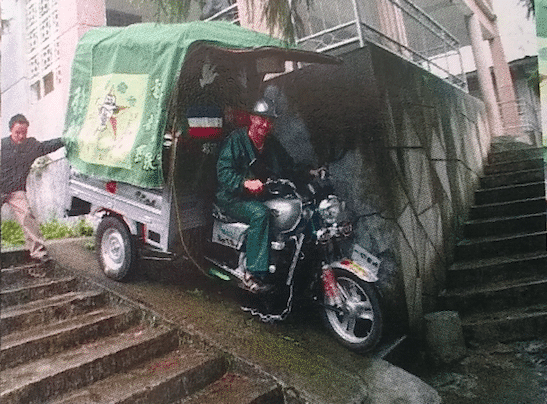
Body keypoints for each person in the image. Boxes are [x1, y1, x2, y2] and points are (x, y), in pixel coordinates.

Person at [216, 98, 296, 292]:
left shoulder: (271, 143)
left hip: (259, 196)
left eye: (270, 121)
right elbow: (223, 172)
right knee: (260, 214)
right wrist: (245, 183)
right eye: (261, 119)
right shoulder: (237, 140)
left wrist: (309, 172)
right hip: (233, 198)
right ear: (252, 118)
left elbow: (288, 166)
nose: (265, 125)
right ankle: (253, 273)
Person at [1, 114, 65, 265]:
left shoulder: (31, 145)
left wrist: (64, 140)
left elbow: (47, 146)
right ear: (10, 130)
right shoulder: (2, 145)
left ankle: (38, 252)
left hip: (16, 190)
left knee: (27, 217)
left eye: (24, 132)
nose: (21, 136)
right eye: (17, 132)